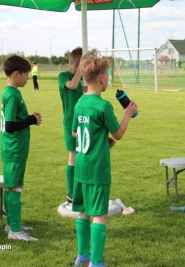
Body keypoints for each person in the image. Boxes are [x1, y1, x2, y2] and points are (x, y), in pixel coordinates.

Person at [72, 55, 138, 267]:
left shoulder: (80, 102)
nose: (108, 80)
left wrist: (100, 139)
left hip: (81, 167)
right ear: (101, 79)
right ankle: (96, 262)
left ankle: (82, 256)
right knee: (99, 214)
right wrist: (127, 113)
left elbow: (75, 133)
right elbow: (117, 133)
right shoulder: (103, 106)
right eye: (107, 77)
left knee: (82, 212)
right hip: (97, 168)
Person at [1, 55, 42, 241]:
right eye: (26, 74)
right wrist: (30, 120)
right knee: (14, 188)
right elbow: (9, 126)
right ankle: (15, 231)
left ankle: (12, 223)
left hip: (16, 149)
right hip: (14, 149)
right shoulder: (11, 94)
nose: (28, 78)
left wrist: (29, 119)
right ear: (17, 74)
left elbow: (15, 121)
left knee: (13, 187)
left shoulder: (14, 92)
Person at [57, 47, 84, 204]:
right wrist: (80, 71)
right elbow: (72, 86)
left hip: (83, 122)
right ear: (76, 63)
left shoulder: (80, 81)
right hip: (70, 123)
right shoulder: (63, 76)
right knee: (73, 156)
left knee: (83, 156)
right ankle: (71, 193)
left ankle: (81, 190)